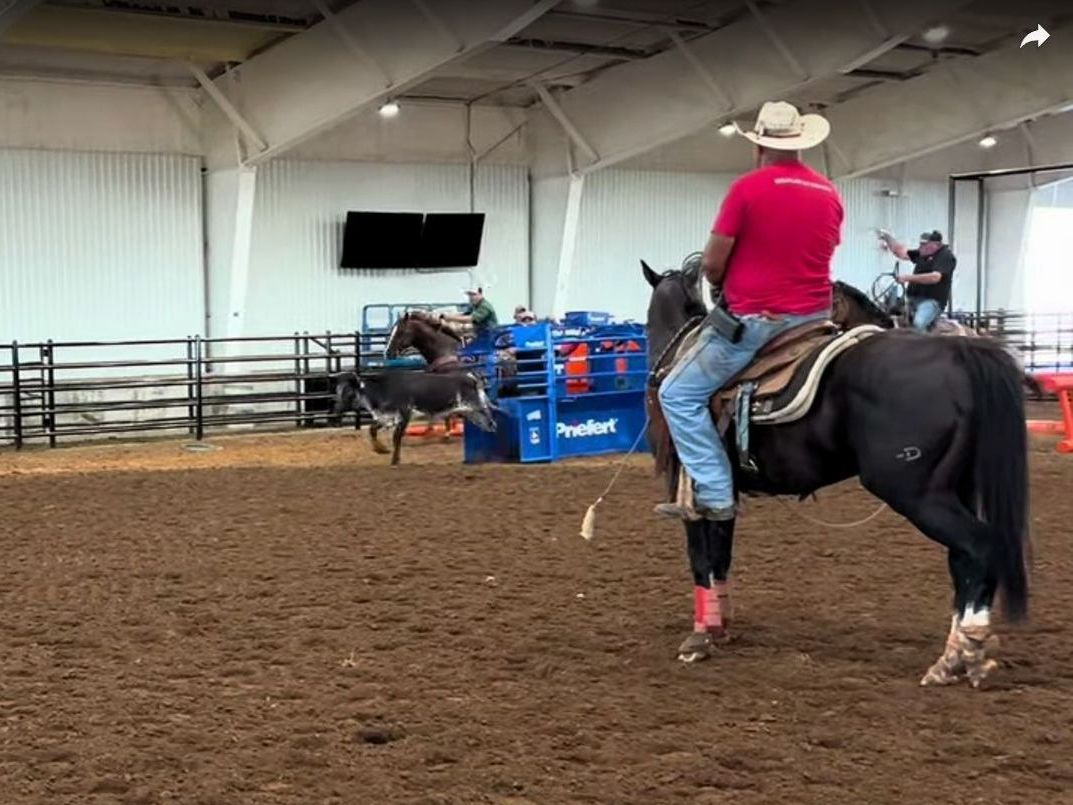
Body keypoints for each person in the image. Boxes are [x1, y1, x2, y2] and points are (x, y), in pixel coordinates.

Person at [655, 101, 843, 522]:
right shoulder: (829, 193)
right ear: (800, 143)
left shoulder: (747, 189)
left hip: (759, 321)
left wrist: (724, 283)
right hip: (815, 320)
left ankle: (717, 493)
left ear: (758, 145)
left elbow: (712, 264)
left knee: (677, 394)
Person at [877, 229, 956, 331]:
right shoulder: (923, 253)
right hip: (912, 298)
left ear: (935, 244)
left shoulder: (945, 256)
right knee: (889, 315)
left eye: (924, 244)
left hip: (931, 301)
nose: (920, 247)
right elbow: (902, 253)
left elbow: (935, 277)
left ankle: (921, 345)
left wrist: (907, 278)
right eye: (921, 244)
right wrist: (887, 238)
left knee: (918, 323)